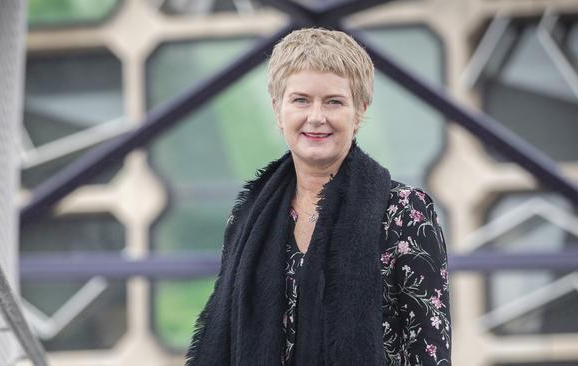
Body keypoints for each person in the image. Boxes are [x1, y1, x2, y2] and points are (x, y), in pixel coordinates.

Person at [185, 28, 451, 366]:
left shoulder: (404, 213)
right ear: (277, 110)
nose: (316, 117)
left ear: (360, 111)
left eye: (334, 101)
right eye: (300, 100)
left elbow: (430, 349)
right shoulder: (247, 218)